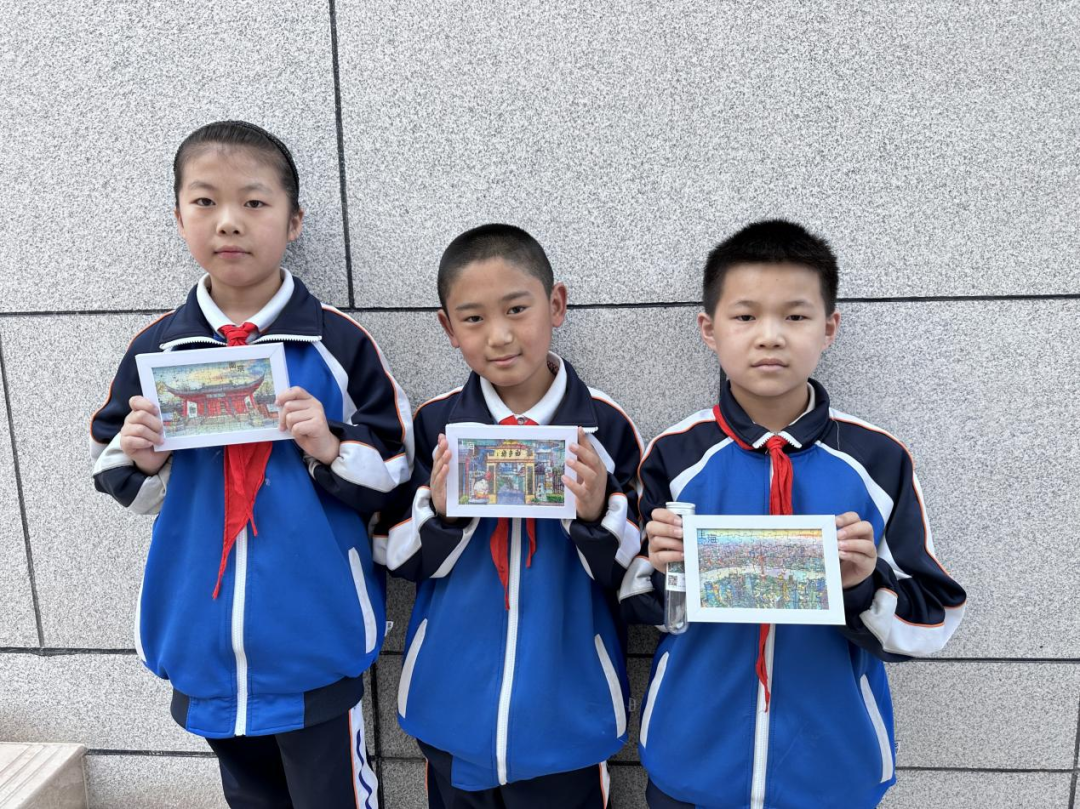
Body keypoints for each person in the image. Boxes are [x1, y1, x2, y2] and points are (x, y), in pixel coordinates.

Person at [90, 120, 413, 808]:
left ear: (294, 221)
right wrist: (143, 459)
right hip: (200, 641)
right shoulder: (158, 351)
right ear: (179, 216)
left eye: (255, 202)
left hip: (312, 642)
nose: (229, 221)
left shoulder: (337, 344)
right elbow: (115, 474)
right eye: (205, 201)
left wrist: (330, 447)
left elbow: (397, 465)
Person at [621, 220, 967, 809]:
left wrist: (862, 588)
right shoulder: (674, 456)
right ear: (709, 329)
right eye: (745, 316)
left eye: (796, 316)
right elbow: (643, 607)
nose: (770, 336)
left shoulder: (877, 460)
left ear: (829, 328)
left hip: (833, 771)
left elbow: (933, 621)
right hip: (692, 762)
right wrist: (662, 570)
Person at [382, 224, 643, 807]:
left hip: (568, 713)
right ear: (448, 328)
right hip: (450, 707)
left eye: (517, 309)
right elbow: (393, 555)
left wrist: (597, 515)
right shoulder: (434, 425)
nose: (499, 335)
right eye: (473, 318)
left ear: (556, 305)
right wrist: (440, 512)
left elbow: (642, 573)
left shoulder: (606, 427)